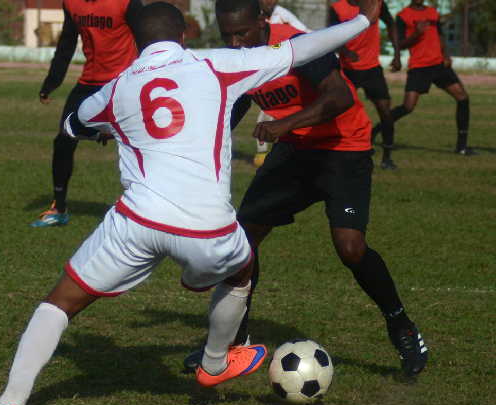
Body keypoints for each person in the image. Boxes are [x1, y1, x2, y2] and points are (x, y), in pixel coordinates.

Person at [0, 2, 378, 405]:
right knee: (242, 267)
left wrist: (105, 126)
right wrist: (362, 21)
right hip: (206, 230)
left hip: (135, 224)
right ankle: (215, 363)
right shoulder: (218, 64)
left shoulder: (118, 87)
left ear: (134, 42)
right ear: (184, 34)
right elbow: (304, 48)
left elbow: (73, 124)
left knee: (59, 303)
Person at [183, 0, 428, 378]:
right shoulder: (241, 56)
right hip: (297, 150)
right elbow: (237, 103)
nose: (236, 45)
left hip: (343, 149)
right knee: (243, 241)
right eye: (227, 35)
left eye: (242, 33)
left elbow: (340, 96)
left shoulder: (298, 48)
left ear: (262, 21)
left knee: (350, 247)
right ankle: (235, 340)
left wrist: (283, 125)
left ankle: (402, 325)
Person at [31, 0, 143, 227]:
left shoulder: (126, 3)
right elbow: (67, 42)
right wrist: (52, 81)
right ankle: (59, 208)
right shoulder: (72, 3)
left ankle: (142, 209)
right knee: (63, 140)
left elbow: (147, 40)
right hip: (89, 83)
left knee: (138, 145)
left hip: (123, 83)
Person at [371, 0, 475, 156]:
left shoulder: (433, 12)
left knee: (463, 98)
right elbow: (400, 44)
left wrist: (445, 54)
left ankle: (461, 147)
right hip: (420, 67)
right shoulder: (403, 16)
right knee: (408, 107)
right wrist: (416, 34)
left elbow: (440, 35)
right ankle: (375, 131)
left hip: (439, 65)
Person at [329, 0, 401, 170]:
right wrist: (346, 51)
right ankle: (335, 153)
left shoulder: (375, 3)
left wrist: (397, 54)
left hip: (372, 69)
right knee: (338, 113)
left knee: (385, 112)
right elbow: (331, 36)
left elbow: (391, 25)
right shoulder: (337, 8)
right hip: (348, 69)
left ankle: (387, 158)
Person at [253, 0, 310, 167]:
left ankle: (265, 152)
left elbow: (305, 33)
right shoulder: (252, 15)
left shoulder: (282, 15)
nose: (270, 2)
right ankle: (264, 152)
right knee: (268, 110)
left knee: (273, 110)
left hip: (281, 71)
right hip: (262, 69)